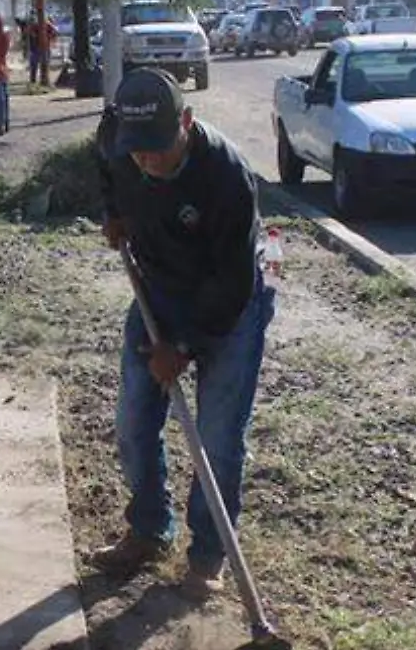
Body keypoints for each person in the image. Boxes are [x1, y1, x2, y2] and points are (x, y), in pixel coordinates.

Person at [86, 68, 275, 600]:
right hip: (157, 291)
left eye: (157, 148)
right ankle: (148, 530)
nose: (145, 159)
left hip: (228, 305)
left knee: (217, 438)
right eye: (136, 150)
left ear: (187, 123)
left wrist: (185, 348)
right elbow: (103, 163)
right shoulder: (119, 141)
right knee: (132, 422)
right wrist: (114, 212)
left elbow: (233, 285)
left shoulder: (227, 178)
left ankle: (208, 556)